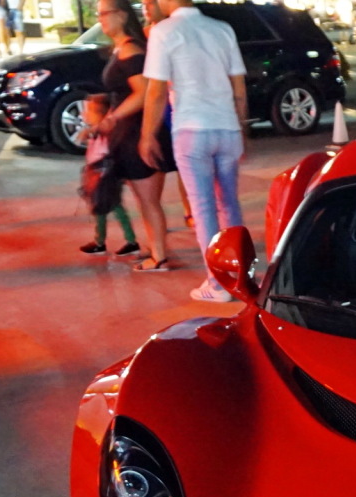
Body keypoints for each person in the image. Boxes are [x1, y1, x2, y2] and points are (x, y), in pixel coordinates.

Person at [139, 0, 248, 301]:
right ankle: (241, 274)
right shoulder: (222, 29)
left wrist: (147, 134)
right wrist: (242, 129)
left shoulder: (164, 31)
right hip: (227, 128)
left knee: (203, 209)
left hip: (191, 130)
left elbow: (157, 89)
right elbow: (238, 87)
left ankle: (217, 283)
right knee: (229, 204)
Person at [93, 0, 171, 272]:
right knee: (144, 199)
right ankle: (154, 249)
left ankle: (159, 256)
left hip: (139, 131)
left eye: (104, 13)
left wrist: (113, 117)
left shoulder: (130, 50)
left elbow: (144, 91)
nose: (100, 19)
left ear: (122, 15)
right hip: (130, 133)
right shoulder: (122, 49)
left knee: (148, 200)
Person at [141, 0, 194, 232]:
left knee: (184, 162)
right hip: (157, 104)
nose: (146, 8)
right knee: (158, 163)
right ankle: (156, 213)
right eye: (143, 4)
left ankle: (189, 209)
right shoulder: (143, 34)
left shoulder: (172, 31)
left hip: (173, 102)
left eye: (150, 3)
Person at [78, 94, 141, 256]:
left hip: (106, 175)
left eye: (89, 111)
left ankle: (128, 241)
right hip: (97, 174)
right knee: (101, 207)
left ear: (102, 114)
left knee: (111, 206)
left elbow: (110, 152)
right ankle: (103, 241)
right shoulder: (98, 131)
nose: (85, 115)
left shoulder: (108, 132)